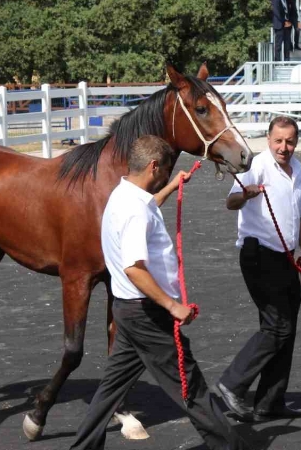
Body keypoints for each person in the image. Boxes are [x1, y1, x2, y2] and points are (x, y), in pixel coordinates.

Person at [69, 136, 249, 450]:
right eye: (165, 171)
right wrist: (172, 305)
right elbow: (134, 268)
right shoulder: (135, 211)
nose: (166, 175)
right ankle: (228, 445)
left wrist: (173, 185)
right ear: (154, 166)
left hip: (127, 310)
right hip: (147, 314)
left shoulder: (124, 194)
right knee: (189, 384)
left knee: (112, 387)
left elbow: (148, 206)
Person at [218, 116, 301, 423]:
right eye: (278, 141)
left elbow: (298, 215)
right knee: (277, 326)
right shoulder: (257, 165)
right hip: (258, 254)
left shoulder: (297, 169)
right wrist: (245, 195)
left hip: (286, 257)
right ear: (269, 140)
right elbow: (230, 202)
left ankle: (270, 402)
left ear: (295, 141)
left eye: (289, 141)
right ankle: (232, 383)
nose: (283, 147)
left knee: (288, 328)